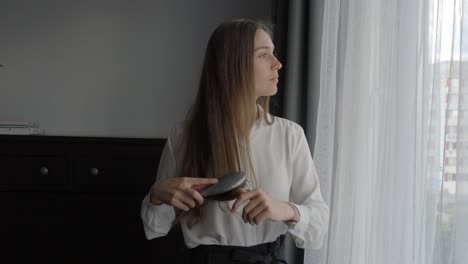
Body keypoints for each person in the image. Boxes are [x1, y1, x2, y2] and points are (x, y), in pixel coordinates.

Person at [140, 19, 329, 264]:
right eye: (264, 55)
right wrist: (156, 196)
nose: (278, 63)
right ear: (233, 65)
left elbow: (318, 229)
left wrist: (283, 209)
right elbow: (154, 228)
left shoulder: (290, 135)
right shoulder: (184, 136)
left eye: (274, 53)